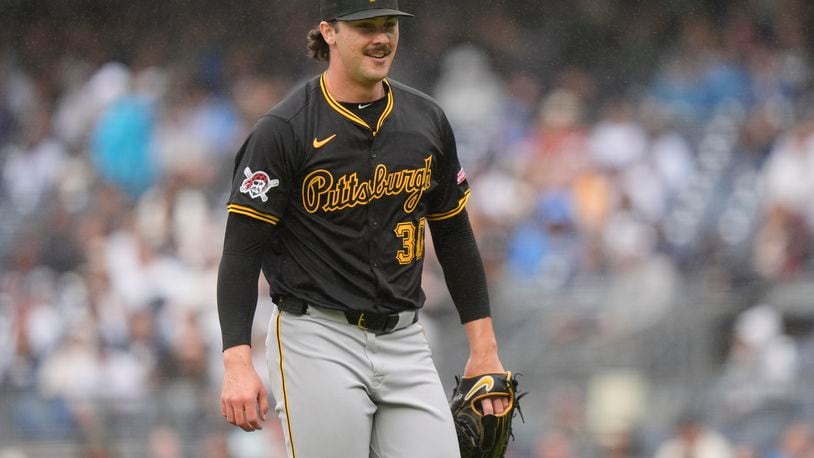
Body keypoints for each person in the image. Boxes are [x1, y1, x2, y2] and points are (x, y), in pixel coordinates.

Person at [216, 0, 508, 456]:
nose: (381, 37)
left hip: (406, 338)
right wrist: (237, 360)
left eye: (388, 25)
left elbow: (453, 233)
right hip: (317, 338)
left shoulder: (426, 119)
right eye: (364, 26)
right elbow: (240, 251)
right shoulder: (284, 129)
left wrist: (484, 348)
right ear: (328, 32)